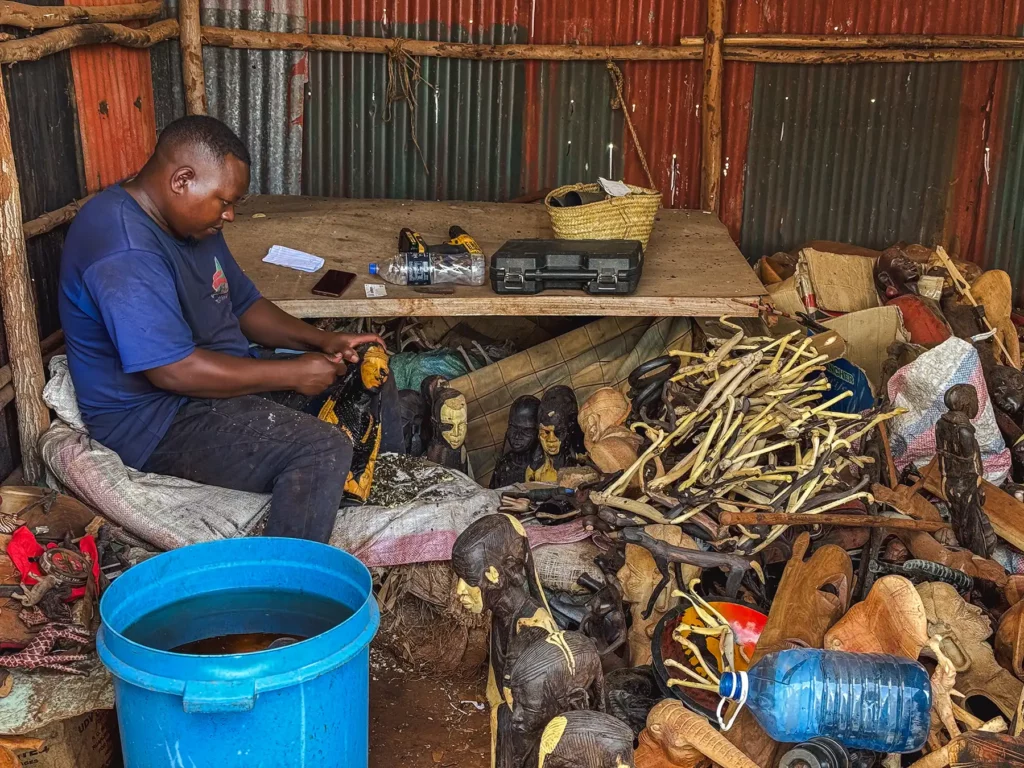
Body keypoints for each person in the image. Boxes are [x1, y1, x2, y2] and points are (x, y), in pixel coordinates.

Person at [58, 115, 402, 544]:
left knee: (367, 378)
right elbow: (174, 372)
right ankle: (289, 589)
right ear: (182, 180)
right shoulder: (123, 250)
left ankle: (374, 498)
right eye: (224, 202)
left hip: (219, 378)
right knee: (320, 448)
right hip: (158, 420)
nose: (231, 215)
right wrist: (292, 373)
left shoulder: (191, 222)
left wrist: (323, 341)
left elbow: (242, 304)